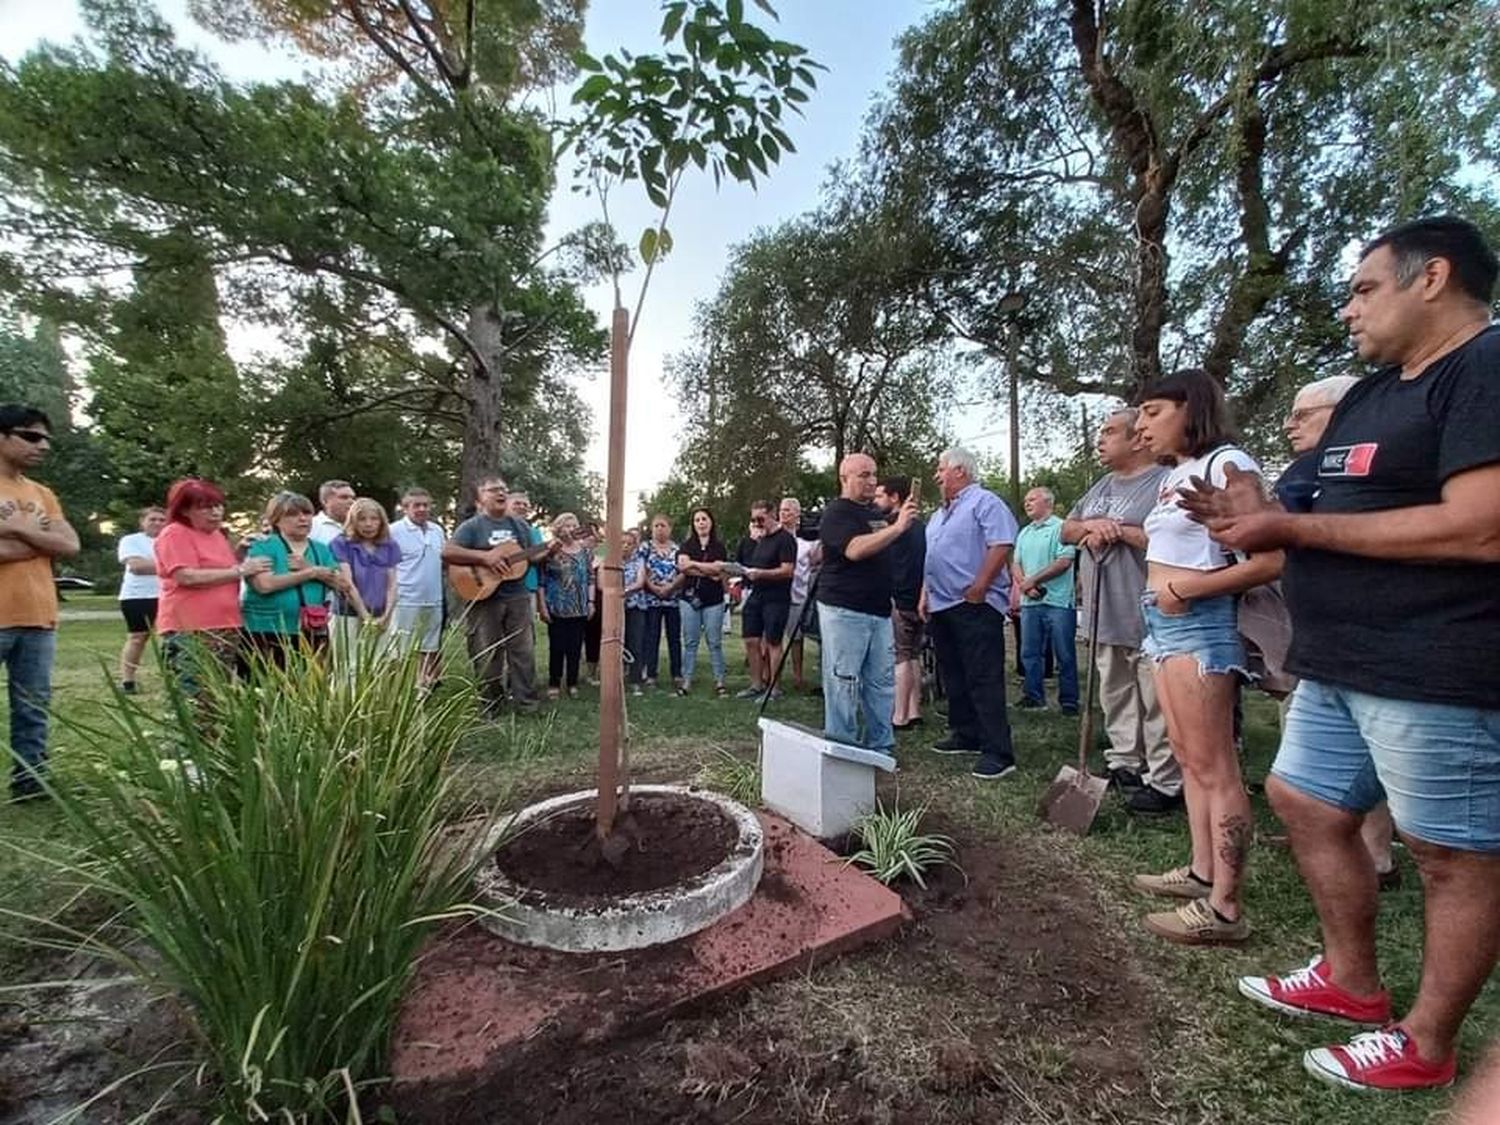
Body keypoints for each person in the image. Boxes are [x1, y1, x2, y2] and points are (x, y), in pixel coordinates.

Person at [1180, 217, 1500, 1092]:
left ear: (1431, 278)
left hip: (1437, 659)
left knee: (1452, 854)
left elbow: (1481, 524)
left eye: (1364, 288)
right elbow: (1296, 503)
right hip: (1341, 660)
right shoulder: (1367, 396)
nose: (1351, 308)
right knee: (1304, 800)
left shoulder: (1483, 369)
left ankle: (1427, 1041)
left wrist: (1286, 522)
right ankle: (1352, 983)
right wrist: (1246, 506)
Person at [1130, 368, 1282, 947]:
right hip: (1162, 623)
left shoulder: (1229, 464)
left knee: (1216, 767)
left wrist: (1186, 590)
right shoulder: (1179, 476)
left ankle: (1225, 907)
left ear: (1189, 408)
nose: (1141, 426)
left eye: (1152, 412)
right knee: (1190, 759)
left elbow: (1269, 560)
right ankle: (1200, 873)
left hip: (1198, 624)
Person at [1275, 373, 1402, 890]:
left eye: (1303, 414)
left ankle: (1377, 852)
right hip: (1321, 640)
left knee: (1386, 759)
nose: (1289, 425)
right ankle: (1336, 835)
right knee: (1299, 787)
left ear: (1345, 411)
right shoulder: (1306, 470)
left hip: (1387, 640)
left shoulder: (1382, 461)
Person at [1061, 409, 1182, 815]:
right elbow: (1067, 529)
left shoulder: (1165, 482)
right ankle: (1125, 762)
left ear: (1136, 440)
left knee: (1155, 698)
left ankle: (1164, 779)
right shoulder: (1101, 486)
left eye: (1109, 432)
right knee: (1116, 691)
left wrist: (1121, 532)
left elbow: (1174, 538)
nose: (1100, 439)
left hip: (1149, 609)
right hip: (1103, 610)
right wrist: (1091, 527)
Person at [920, 447, 1020, 780]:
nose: (937, 475)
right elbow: (932, 555)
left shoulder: (985, 502)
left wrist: (980, 585)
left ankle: (998, 751)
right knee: (953, 674)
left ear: (960, 471)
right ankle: (965, 733)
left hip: (974, 603)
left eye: (941, 469)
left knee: (982, 675)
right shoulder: (939, 514)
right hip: (941, 603)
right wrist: (925, 593)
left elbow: (1002, 543)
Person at [0, 405, 80, 801]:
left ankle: (30, 781)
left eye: (47, 438)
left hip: (37, 615)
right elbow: (50, 545)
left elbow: (69, 545)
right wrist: (34, 538)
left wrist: (13, 529)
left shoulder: (42, 494)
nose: (43, 446)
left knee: (32, 704)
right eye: (31, 437)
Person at [817, 454, 917, 752]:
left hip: (878, 610)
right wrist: (897, 528)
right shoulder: (837, 513)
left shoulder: (874, 513)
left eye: (874, 474)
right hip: (844, 610)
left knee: (881, 683)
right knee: (844, 682)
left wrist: (899, 520)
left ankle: (880, 746)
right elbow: (855, 550)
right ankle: (842, 747)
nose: (872, 480)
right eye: (863, 475)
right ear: (844, 478)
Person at [443, 477, 555, 715]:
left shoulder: (519, 526)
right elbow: (448, 552)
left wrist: (549, 550)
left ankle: (527, 703)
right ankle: (491, 704)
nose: (500, 493)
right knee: (487, 652)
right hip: (484, 596)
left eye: (503, 489)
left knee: (523, 651)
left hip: (518, 596)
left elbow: (529, 557)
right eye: (493, 490)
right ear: (480, 498)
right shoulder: (472, 526)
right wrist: (484, 558)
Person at [153, 478, 269, 703]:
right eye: (205, 508)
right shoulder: (174, 534)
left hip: (225, 624)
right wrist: (241, 570)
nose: (215, 512)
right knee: (194, 695)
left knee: (217, 694)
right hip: (191, 627)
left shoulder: (216, 535)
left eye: (218, 506)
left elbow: (221, 570)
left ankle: (212, 737)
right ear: (185, 510)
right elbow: (186, 576)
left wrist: (240, 553)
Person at [241, 491, 344, 664]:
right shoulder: (263, 545)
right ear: (276, 519)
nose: (303, 519)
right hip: (266, 629)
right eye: (293, 514)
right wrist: (311, 573)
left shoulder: (321, 549)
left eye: (307, 513)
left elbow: (342, 584)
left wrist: (312, 568)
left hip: (310, 630)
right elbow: (264, 585)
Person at [1012, 487, 1079, 714]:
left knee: (1065, 653)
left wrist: (1032, 581)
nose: (1027, 503)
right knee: (1029, 652)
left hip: (1058, 601)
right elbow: (1015, 563)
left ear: (1047, 503)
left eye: (1032, 499)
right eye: (1026, 500)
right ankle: (1033, 696)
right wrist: (1025, 585)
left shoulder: (1062, 528)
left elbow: (1064, 562)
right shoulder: (1024, 533)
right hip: (1030, 602)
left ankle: (1069, 701)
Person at [874, 477, 926, 730]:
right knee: (914, 654)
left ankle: (900, 715)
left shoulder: (893, 526)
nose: (875, 501)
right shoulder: (921, 525)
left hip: (899, 597)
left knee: (901, 657)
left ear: (895, 498)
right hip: (919, 598)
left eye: (879, 496)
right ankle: (915, 710)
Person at [388, 486, 447, 691]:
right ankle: (400, 688)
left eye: (425, 505)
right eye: (416, 505)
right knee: (402, 648)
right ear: (405, 508)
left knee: (429, 645)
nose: (422, 509)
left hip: (434, 597)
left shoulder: (437, 530)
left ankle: (423, 687)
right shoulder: (393, 531)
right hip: (405, 598)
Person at [738, 500, 797, 699]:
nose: (757, 522)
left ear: (772, 515)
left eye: (760, 518)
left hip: (777, 597)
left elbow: (788, 570)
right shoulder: (761, 539)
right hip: (757, 594)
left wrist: (761, 573)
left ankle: (774, 688)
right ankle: (756, 684)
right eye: (753, 519)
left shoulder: (785, 539)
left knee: (773, 642)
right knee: (751, 639)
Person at [329, 497, 401, 660]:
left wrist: (386, 615)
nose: (368, 524)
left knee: (379, 665)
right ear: (353, 521)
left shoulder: (388, 545)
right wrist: (365, 616)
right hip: (349, 614)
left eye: (374, 519)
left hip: (382, 615)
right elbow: (347, 583)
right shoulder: (341, 544)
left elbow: (392, 584)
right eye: (362, 519)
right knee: (349, 667)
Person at [539, 512, 593, 699]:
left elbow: (590, 579)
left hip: (579, 606)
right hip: (556, 606)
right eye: (566, 526)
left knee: (575, 647)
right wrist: (542, 606)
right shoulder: (550, 551)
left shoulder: (585, 551)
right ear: (558, 529)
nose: (570, 529)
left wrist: (591, 602)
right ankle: (554, 682)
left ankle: (572, 682)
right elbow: (542, 581)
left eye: (573, 525)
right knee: (557, 646)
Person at [676, 507, 729, 697]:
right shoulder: (686, 545)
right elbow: (683, 567)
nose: (701, 523)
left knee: (714, 642)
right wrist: (707, 569)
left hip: (713, 600)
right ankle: (687, 680)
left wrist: (694, 565)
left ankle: (720, 680)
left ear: (711, 522)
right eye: (697, 520)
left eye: (704, 519)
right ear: (693, 524)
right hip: (689, 599)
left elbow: (719, 571)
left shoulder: (719, 547)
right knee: (690, 642)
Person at [116, 505, 166, 694]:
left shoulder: (172, 540)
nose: (157, 523)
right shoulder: (131, 541)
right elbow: (136, 566)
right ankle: (128, 681)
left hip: (167, 595)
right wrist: (171, 565)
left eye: (162, 520)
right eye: (152, 519)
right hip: (137, 596)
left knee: (170, 639)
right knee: (137, 638)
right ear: (142, 522)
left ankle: (173, 679)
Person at [638, 514, 684, 691]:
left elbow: (683, 571)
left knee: (674, 638)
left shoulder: (678, 549)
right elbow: (642, 571)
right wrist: (655, 588)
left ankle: (677, 674)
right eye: (656, 526)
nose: (659, 529)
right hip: (651, 599)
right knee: (651, 637)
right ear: (651, 528)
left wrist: (670, 587)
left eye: (663, 525)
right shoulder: (645, 548)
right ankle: (651, 674)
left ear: (670, 528)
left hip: (673, 600)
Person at [779, 497, 820, 691]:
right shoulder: (772, 539)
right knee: (772, 638)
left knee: (796, 639)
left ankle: (798, 676)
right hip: (776, 596)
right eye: (781, 510)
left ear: (797, 515)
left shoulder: (805, 544)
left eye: (788, 510)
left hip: (797, 596)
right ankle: (771, 677)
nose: (783, 513)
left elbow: (817, 560)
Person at [621, 527, 649, 695]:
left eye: (629, 544)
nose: (625, 546)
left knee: (636, 643)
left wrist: (623, 591)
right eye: (622, 543)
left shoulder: (639, 561)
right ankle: (616, 677)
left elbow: (640, 582)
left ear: (634, 546)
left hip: (636, 606)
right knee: (617, 643)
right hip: (616, 608)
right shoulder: (611, 561)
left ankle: (635, 681)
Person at [310, 479, 356, 546]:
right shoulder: (312, 526)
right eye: (344, 497)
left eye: (353, 498)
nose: (352, 502)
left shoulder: (361, 527)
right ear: (325, 501)